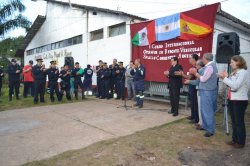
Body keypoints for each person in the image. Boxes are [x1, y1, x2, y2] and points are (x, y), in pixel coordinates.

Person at [217, 55, 249, 148]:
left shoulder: (243, 73)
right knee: (234, 121)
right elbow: (229, 85)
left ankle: (240, 142)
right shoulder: (234, 73)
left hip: (240, 100)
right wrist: (225, 77)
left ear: (238, 62)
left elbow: (235, 86)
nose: (230, 64)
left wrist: (224, 78)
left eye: (232, 62)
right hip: (232, 99)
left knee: (239, 122)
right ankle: (235, 139)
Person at [190, 53, 218, 137]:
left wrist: (195, 73)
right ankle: (205, 126)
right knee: (204, 110)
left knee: (207, 111)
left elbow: (203, 79)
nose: (202, 59)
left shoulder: (210, 67)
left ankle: (210, 130)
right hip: (206, 91)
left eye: (203, 58)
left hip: (207, 91)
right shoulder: (209, 66)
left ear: (206, 59)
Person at [184, 60, 205, 129]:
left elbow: (198, 81)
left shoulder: (201, 71)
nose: (196, 67)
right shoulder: (199, 71)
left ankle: (198, 120)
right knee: (194, 104)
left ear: (199, 65)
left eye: (197, 65)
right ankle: (197, 120)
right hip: (197, 89)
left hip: (199, 90)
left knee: (197, 106)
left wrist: (189, 80)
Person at [181, 54, 199, 123]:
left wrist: (182, 74)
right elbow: (189, 77)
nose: (189, 59)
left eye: (190, 58)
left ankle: (195, 118)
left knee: (195, 103)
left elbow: (189, 77)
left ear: (194, 59)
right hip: (191, 86)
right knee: (192, 102)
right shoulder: (192, 67)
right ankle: (192, 116)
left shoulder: (196, 67)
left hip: (195, 87)